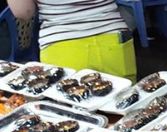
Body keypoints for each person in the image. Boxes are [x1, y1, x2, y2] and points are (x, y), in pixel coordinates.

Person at [8, 0, 136, 80]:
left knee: (74, 117)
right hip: (114, 38)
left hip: (62, 44)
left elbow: (24, 12)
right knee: (123, 115)